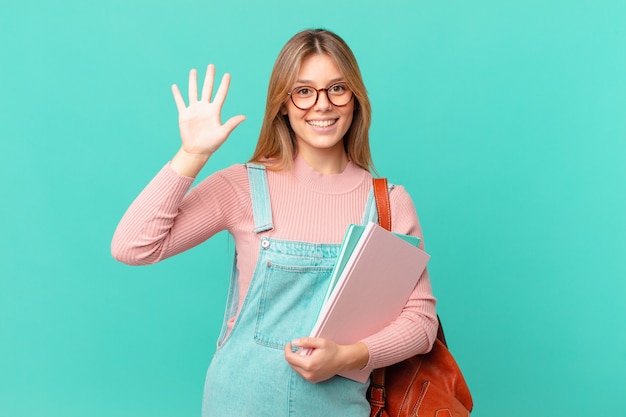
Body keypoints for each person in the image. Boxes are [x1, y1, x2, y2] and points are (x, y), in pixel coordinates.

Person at [111, 29, 438, 416]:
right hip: (237, 403)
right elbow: (133, 246)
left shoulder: (387, 204)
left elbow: (421, 323)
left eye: (337, 88)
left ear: (355, 99)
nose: (322, 105)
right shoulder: (243, 186)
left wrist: (349, 355)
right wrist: (191, 154)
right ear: (283, 104)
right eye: (304, 91)